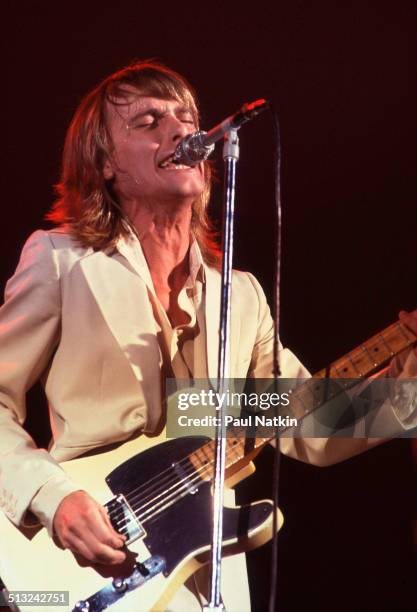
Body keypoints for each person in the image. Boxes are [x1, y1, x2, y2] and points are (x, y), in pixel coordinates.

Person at [0, 61, 416, 611]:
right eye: (149, 121)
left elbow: (305, 424)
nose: (180, 130)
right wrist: (54, 499)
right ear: (103, 164)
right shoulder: (62, 262)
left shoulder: (238, 295)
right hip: (84, 552)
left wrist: (403, 398)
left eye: (185, 117)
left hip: (205, 571)